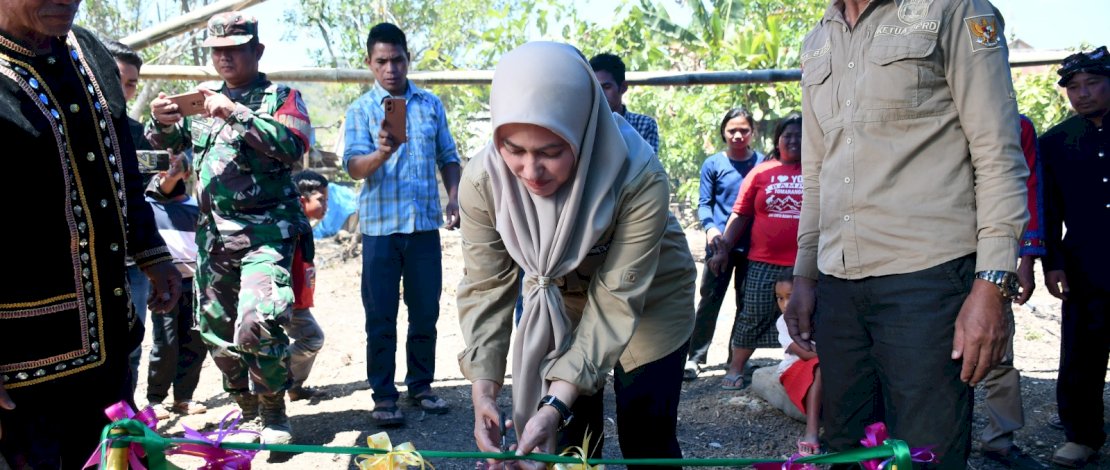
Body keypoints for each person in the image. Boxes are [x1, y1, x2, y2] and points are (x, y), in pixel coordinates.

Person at [787, 1, 1029, 468]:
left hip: (929, 279)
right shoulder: (818, 39)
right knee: (847, 448)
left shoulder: (953, 9)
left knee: (924, 451)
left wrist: (992, 285)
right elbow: (816, 171)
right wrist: (805, 275)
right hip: (838, 283)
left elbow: (997, 153)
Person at [457, 41, 695, 470]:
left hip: (650, 297)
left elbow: (617, 300)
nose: (531, 172)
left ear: (583, 131)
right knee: (572, 441)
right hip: (561, 303)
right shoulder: (482, 183)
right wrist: (485, 392)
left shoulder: (639, 178)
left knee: (646, 432)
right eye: (514, 149)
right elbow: (486, 287)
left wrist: (554, 401)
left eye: (550, 152)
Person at [0, 0, 181, 465]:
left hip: (106, 337)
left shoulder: (87, 50)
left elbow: (118, 158)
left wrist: (151, 251)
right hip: (22, 362)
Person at [147, 11, 313, 445]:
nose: (225, 57)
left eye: (235, 49)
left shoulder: (281, 97)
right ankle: (247, 408)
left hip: (266, 235)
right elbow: (166, 146)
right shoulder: (200, 103)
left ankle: (274, 410)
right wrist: (160, 121)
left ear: (256, 50)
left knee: (257, 320)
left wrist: (237, 114)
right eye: (218, 51)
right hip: (213, 239)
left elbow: (293, 146)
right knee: (218, 336)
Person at [342, 22, 461, 427]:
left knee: (425, 311)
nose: (390, 68)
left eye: (397, 59)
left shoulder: (430, 105)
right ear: (370, 64)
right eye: (381, 61)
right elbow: (355, 168)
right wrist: (380, 153)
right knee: (380, 316)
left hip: (424, 228)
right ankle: (383, 395)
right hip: (380, 231)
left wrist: (456, 197)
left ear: (408, 59)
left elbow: (448, 156)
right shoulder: (360, 110)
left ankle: (422, 386)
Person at [1038, 45, 1110, 469]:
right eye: (1074, 87)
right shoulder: (1056, 142)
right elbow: (1048, 211)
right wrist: (1053, 263)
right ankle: (1082, 436)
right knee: (1082, 353)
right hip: (1085, 266)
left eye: (1093, 83)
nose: (1082, 94)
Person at [710, 114, 803, 390]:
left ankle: (801, 368)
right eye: (788, 135)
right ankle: (736, 367)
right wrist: (723, 248)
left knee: (807, 317)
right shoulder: (761, 171)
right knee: (752, 314)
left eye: (800, 135)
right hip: (763, 260)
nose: (794, 140)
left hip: (804, 263)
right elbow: (740, 214)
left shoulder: (818, 170)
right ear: (777, 139)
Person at [978, 114, 1048, 470]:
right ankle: (938, 441)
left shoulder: (1015, 125)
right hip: (935, 255)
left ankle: (999, 441)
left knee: (999, 354)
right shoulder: (933, 113)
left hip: (994, 256)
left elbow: (1029, 187)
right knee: (929, 355)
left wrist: (1027, 258)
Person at [684, 107, 763, 380]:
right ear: (723, 133)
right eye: (732, 130)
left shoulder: (762, 165)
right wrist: (711, 231)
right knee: (710, 301)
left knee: (746, 303)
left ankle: (736, 358)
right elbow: (705, 205)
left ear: (753, 132)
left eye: (743, 130)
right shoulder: (713, 164)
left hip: (752, 248)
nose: (738, 135)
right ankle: (695, 358)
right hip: (718, 248)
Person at [104, 38, 156, 398]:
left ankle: (126, 426)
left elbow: (146, 196)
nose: (123, 91)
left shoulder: (136, 132)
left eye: (131, 83)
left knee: (132, 345)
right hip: (85, 266)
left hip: (133, 262)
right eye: (116, 79)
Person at [141, 153, 209, 420]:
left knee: (194, 341)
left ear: (187, 175)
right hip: (162, 284)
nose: (167, 174)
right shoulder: (149, 203)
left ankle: (184, 397)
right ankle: (155, 399)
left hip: (193, 284)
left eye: (176, 170)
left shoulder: (196, 208)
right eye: (164, 171)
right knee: (165, 341)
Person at [286, 170, 329, 401]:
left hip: (300, 302)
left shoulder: (304, 228)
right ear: (302, 200)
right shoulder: (292, 228)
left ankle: (294, 386)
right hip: (290, 302)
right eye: (321, 200)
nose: (326, 206)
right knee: (312, 339)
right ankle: (273, 372)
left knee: (311, 339)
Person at [772, 272, 822, 458]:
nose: (785, 304)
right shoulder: (784, 323)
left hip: (824, 364)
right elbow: (804, 353)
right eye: (779, 298)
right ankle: (811, 432)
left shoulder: (820, 315)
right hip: (798, 368)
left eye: (790, 297)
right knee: (820, 367)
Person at [589, 53, 660, 155]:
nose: (600, 94)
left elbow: (648, 168)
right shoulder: (584, 126)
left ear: (623, 87)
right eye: (595, 88)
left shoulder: (644, 124)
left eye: (607, 87)